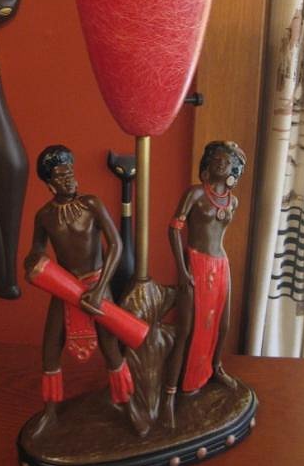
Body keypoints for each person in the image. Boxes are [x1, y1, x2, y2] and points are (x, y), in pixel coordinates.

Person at [24, 145, 134, 430]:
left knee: (110, 346)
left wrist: (101, 288)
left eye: (70, 172)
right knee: (50, 347)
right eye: (61, 176)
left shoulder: (91, 204)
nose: (69, 179)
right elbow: (37, 250)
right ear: (49, 183)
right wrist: (32, 261)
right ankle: (50, 410)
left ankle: (127, 404)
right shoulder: (44, 216)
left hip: (98, 284)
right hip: (64, 289)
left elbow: (116, 245)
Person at [161, 141, 246, 429]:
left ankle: (215, 368)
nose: (221, 163)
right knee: (186, 329)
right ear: (208, 163)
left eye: (227, 161)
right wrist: (182, 269)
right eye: (217, 159)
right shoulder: (195, 193)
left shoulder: (232, 201)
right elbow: (173, 229)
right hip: (196, 263)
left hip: (221, 264)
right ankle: (170, 394)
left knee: (223, 324)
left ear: (234, 169)